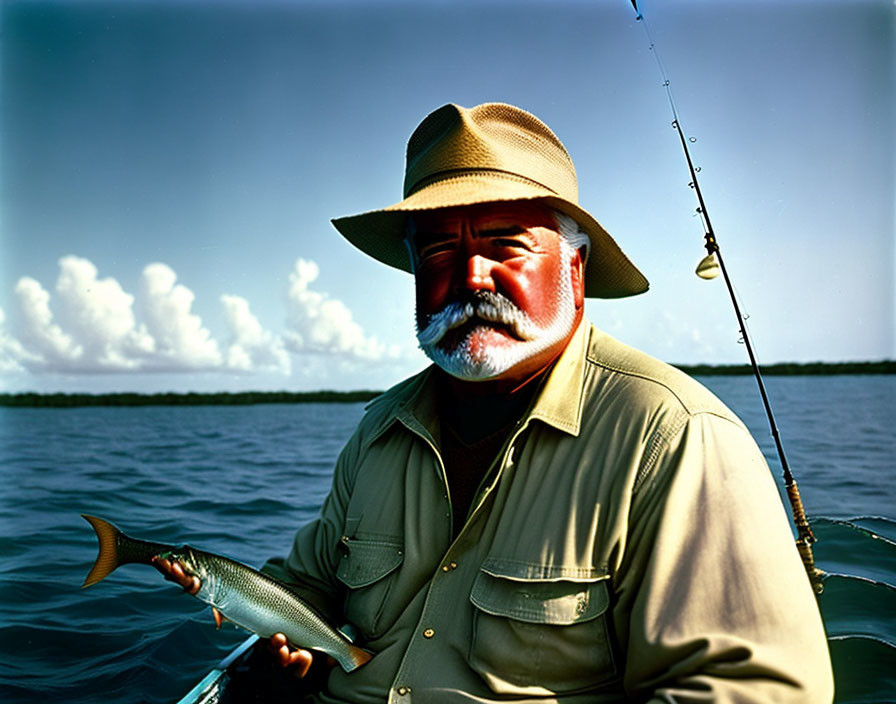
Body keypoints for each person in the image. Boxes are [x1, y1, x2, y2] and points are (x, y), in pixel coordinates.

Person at [157, 102, 833, 702]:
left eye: (506, 243)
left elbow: (749, 691)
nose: (470, 276)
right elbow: (308, 587)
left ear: (575, 267)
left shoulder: (675, 436)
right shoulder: (377, 432)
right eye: (440, 252)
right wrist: (266, 619)